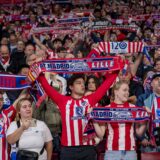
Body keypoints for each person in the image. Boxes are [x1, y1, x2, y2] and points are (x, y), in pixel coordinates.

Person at [37, 70, 120, 160]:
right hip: (68, 150)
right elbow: (46, 86)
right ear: (71, 87)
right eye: (78, 83)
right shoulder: (63, 101)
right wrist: (38, 71)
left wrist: (117, 70)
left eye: (83, 83)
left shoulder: (90, 99)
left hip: (88, 149)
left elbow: (106, 85)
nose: (82, 85)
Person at [93, 80, 147, 160]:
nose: (127, 93)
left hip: (130, 151)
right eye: (124, 90)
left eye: (128, 90)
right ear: (116, 92)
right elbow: (101, 134)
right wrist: (93, 119)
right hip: (112, 151)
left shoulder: (133, 108)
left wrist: (145, 119)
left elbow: (139, 133)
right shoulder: (107, 109)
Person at [137, 73, 160, 152]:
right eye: (157, 79)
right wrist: (142, 138)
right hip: (149, 141)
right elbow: (137, 120)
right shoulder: (143, 98)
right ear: (152, 84)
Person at [0, 91, 25, 160]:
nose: (0, 102)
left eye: (1, 99)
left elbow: (20, 98)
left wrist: (28, 85)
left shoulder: (6, 114)